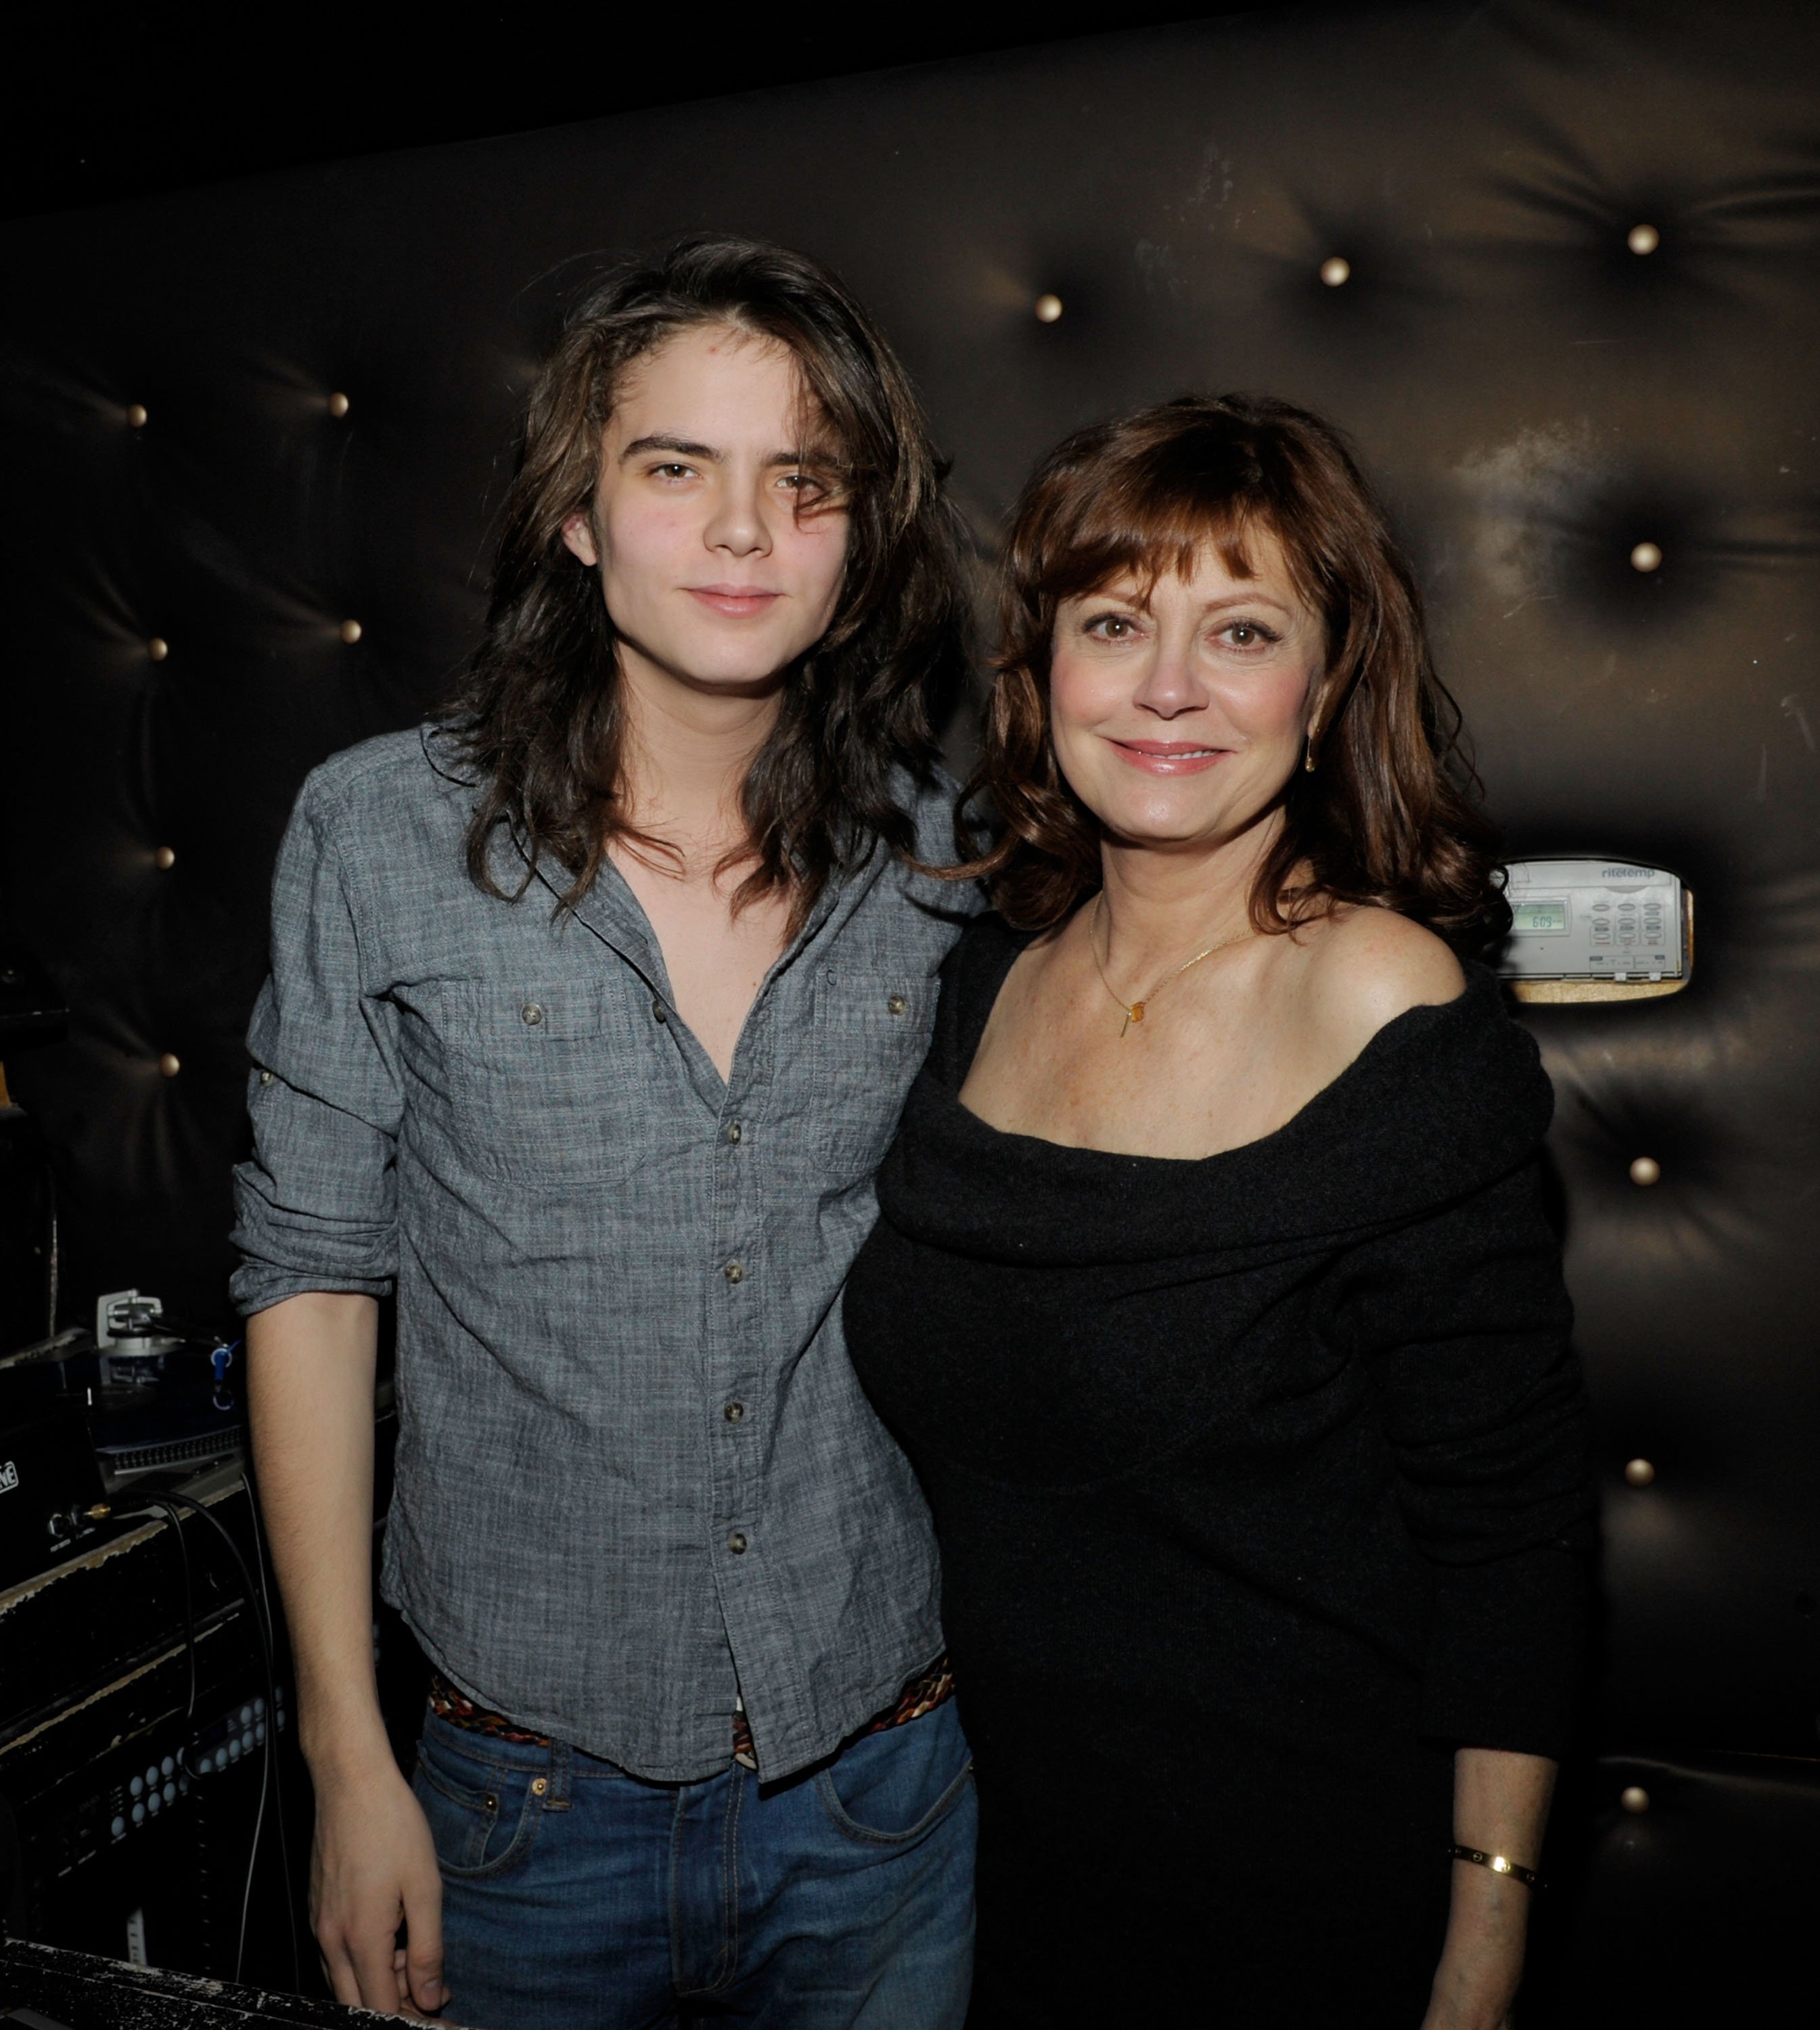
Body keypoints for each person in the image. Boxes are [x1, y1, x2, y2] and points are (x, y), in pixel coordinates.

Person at [233, 237, 980, 2030]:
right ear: (579, 515)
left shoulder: (952, 858)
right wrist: (349, 1763)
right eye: (677, 468)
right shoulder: (376, 837)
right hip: (516, 1809)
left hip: (883, 1792)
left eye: (805, 481)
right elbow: (313, 1283)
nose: (743, 533)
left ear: (862, 540)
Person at [844, 394, 1596, 2029]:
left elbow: (1511, 1533)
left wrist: (1479, 1953)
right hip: (985, 1876)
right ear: (1041, 681)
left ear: (1322, 692)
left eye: (1240, 630)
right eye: (1115, 624)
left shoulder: (1383, 1003)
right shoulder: (984, 978)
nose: (1169, 686)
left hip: (1304, 1886)